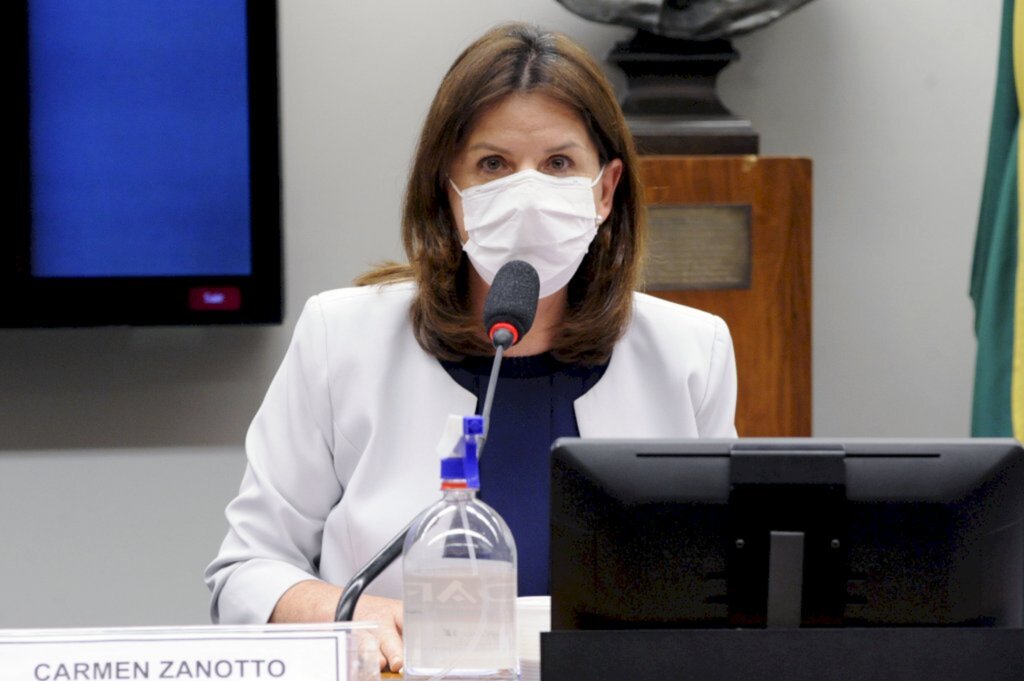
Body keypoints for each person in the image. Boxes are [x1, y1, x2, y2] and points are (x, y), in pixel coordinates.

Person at [204, 21, 737, 673]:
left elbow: (728, 584)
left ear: (605, 190)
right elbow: (245, 568)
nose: (529, 192)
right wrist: (346, 609)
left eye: (559, 163)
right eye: (493, 164)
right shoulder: (343, 339)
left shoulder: (690, 353)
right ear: (449, 193)